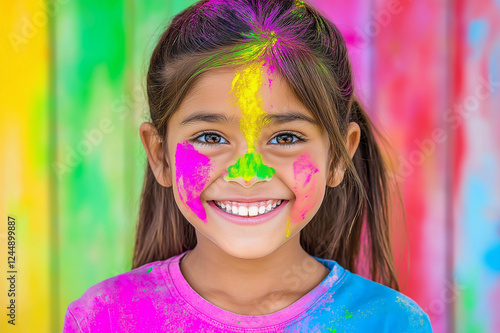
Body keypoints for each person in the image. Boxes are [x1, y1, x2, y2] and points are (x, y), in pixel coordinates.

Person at [62, 0, 433, 331]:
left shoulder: (391, 322)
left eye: (285, 138)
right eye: (210, 138)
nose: (248, 173)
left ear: (338, 156)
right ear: (160, 156)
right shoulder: (104, 318)